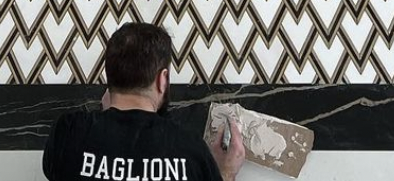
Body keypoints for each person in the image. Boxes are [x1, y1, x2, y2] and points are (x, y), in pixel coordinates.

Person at [42, 22, 245, 181]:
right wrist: (225, 173)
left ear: (109, 76)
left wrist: (105, 118)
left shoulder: (68, 132)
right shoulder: (190, 148)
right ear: (161, 79)